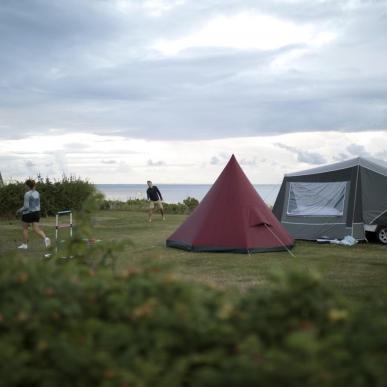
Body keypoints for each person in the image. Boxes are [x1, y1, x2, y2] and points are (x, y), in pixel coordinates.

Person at [16, 179, 51, 250]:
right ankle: (46, 238)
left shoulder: (27, 194)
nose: (24, 186)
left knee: (25, 229)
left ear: (28, 186)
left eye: (25, 185)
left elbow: (26, 207)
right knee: (36, 229)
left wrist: (19, 210)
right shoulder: (37, 193)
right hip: (37, 213)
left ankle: (25, 245)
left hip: (28, 213)